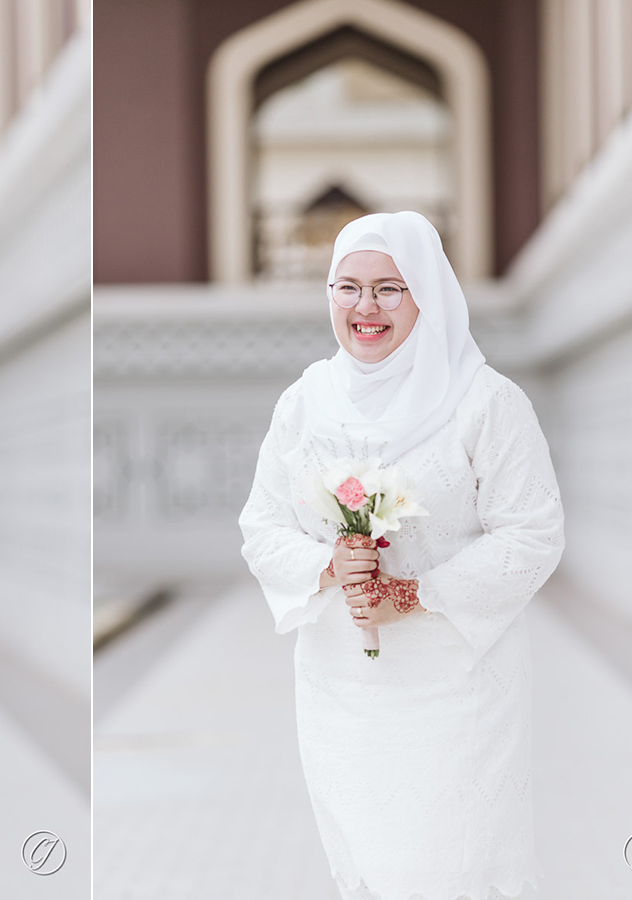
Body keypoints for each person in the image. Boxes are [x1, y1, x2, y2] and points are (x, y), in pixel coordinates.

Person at [239, 211, 563, 900]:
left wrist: (414, 595)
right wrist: (329, 567)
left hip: (459, 686)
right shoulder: (304, 405)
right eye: (347, 287)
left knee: (453, 864)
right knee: (367, 866)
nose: (366, 307)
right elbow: (262, 526)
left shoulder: (486, 402)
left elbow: (534, 532)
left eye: (390, 288)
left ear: (428, 293)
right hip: (341, 691)